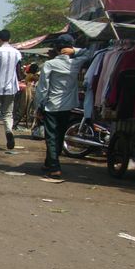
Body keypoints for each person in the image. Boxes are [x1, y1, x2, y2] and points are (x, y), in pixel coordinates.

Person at [34, 34, 91, 179]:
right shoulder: (76, 63)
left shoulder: (50, 64)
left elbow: (42, 89)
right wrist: (75, 51)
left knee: (52, 137)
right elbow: (90, 53)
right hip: (67, 106)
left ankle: (54, 167)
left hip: (51, 106)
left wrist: (38, 106)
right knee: (59, 135)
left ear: (56, 49)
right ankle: (49, 162)